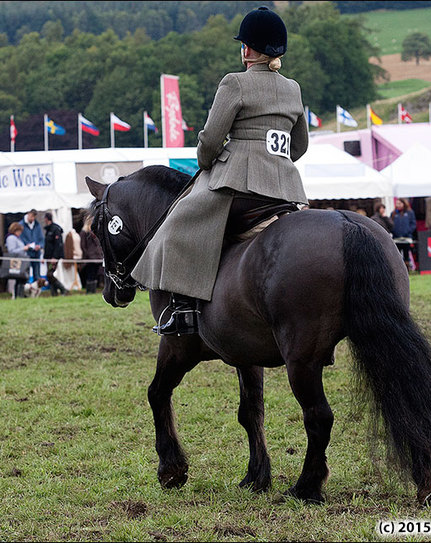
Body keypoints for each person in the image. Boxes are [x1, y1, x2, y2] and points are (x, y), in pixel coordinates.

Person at [131, 6, 308, 335]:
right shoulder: (293, 88)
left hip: (241, 186)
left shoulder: (235, 83)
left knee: (180, 221)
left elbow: (211, 141)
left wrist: (209, 160)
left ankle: (183, 308)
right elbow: (299, 147)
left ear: (248, 50)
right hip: (287, 191)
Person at [42, 212, 68, 296]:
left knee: (49, 274)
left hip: (53, 258)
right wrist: (44, 257)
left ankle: (63, 289)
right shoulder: (48, 230)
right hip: (48, 257)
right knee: (50, 275)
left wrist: (55, 257)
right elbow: (47, 246)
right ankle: (54, 294)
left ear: (47, 219)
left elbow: (58, 245)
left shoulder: (56, 229)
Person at [391, 198, 417, 272]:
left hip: (406, 238)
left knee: (406, 255)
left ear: (404, 204)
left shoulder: (410, 212)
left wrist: (408, 231)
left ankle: (407, 270)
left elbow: (413, 224)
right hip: (396, 238)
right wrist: (394, 231)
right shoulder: (393, 213)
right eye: (397, 203)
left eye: (400, 203)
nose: (398, 205)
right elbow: (390, 224)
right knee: (397, 255)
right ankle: (398, 270)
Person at [79, 214, 103, 294]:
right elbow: (83, 245)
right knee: (90, 274)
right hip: (90, 258)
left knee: (95, 274)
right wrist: (87, 255)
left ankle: (93, 290)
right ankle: (89, 291)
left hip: (97, 257)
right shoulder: (84, 233)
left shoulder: (94, 232)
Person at [5, 222, 29, 299]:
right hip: (16, 262)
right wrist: (23, 248)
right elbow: (11, 251)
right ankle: (17, 295)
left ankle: (20, 294)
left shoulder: (17, 238)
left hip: (21, 260)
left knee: (21, 279)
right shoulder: (11, 238)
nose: (20, 233)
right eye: (19, 231)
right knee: (18, 278)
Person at [19, 209, 44, 281]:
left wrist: (39, 245)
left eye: (34, 217)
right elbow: (20, 238)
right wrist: (28, 245)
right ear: (28, 214)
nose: (33, 219)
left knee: (37, 273)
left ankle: (37, 290)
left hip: (36, 253)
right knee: (26, 273)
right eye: (31, 216)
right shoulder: (21, 224)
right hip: (26, 253)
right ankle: (25, 290)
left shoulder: (37, 224)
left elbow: (41, 238)